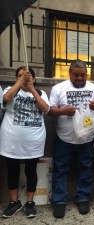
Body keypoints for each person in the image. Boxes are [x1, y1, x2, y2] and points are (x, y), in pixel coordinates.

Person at [49, 60, 94, 218]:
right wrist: (62, 111)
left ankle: (82, 198)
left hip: (87, 139)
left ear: (86, 74)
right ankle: (59, 201)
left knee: (86, 169)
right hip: (64, 139)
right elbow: (50, 110)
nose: (80, 78)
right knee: (60, 170)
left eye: (83, 75)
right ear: (70, 74)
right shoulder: (58, 88)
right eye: (76, 75)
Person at [0, 66, 49, 218]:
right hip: (11, 141)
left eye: (27, 76)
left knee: (31, 171)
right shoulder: (10, 89)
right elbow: (6, 99)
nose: (24, 78)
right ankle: (14, 202)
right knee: (12, 171)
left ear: (34, 79)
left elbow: (45, 108)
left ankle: (30, 202)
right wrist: (20, 82)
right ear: (16, 78)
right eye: (19, 76)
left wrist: (32, 89)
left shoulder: (40, 93)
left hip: (33, 142)